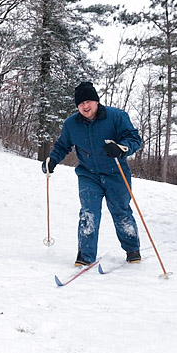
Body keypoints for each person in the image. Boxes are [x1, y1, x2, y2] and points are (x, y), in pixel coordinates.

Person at [42, 82, 142, 266]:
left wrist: (121, 148)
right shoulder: (72, 124)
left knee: (121, 211)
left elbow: (134, 138)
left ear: (96, 101)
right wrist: (53, 160)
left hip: (116, 173)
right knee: (89, 213)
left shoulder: (116, 116)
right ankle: (85, 255)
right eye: (80, 104)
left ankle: (132, 249)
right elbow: (62, 145)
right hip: (89, 174)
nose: (85, 107)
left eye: (88, 101)